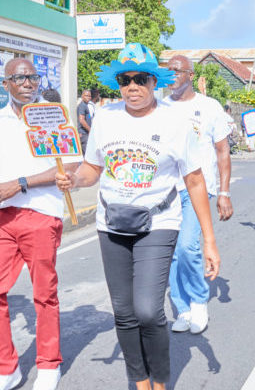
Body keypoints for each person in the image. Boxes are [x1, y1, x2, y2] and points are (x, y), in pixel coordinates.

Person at [56, 42, 222, 390]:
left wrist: (208, 240)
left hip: (158, 223)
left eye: (140, 79)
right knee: (124, 312)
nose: (132, 86)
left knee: (148, 310)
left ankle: (160, 381)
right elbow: (92, 168)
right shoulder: (105, 117)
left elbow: (194, 180)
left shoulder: (176, 121)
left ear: (154, 81)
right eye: (125, 80)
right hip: (112, 223)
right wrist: (74, 180)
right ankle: (141, 381)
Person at [0, 58, 68, 390]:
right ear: (6, 84)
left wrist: (19, 184)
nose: (28, 83)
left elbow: (67, 168)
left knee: (44, 292)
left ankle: (48, 363)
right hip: (0, 216)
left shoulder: (52, 115)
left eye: (33, 77)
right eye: (19, 78)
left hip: (40, 213)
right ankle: (4, 369)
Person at [163, 55, 234, 334]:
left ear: (190, 75)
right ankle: (182, 308)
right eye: (167, 71)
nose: (171, 75)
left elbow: (222, 151)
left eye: (176, 71)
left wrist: (224, 192)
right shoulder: (161, 107)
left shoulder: (209, 107)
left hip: (198, 187)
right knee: (172, 251)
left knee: (187, 247)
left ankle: (198, 300)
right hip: (167, 189)